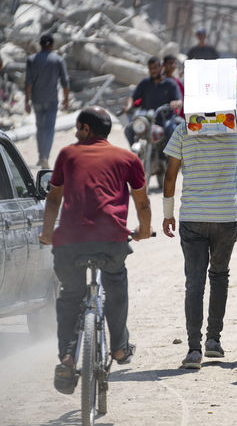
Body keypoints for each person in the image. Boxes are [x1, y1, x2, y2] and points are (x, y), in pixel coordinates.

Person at [39, 107, 152, 394]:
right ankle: (118, 348)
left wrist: (47, 233)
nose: (76, 134)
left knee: (69, 297)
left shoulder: (67, 155)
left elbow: (53, 201)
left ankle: (67, 356)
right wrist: (142, 231)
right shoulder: (128, 158)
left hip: (69, 242)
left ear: (87, 129)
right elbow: (143, 204)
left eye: (78, 128)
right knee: (116, 288)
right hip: (111, 240)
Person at [162, 70, 237, 369]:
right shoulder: (232, 130)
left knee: (194, 283)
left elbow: (170, 177)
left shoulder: (183, 130)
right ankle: (214, 342)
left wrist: (168, 214)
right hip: (224, 217)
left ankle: (194, 350)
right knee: (219, 276)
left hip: (192, 217)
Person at [24, 33, 69, 168]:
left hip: (37, 99)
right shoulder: (58, 60)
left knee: (40, 128)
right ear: (52, 45)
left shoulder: (32, 60)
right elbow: (65, 82)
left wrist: (27, 100)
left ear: (41, 45)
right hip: (52, 99)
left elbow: (28, 82)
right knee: (49, 129)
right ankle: (45, 157)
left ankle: (40, 155)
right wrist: (66, 100)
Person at [123, 57, 182, 145]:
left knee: (172, 130)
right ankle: (135, 155)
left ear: (161, 67)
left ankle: (169, 156)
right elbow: (133, 97)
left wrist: (176, 103)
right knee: (129, 129)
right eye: (150, 68)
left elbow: (179, 100)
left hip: (164, 119)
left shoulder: (170, 84)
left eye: (155, 68)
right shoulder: (145, 82)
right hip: (147, 119)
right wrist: (128, 106)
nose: (152, 71)